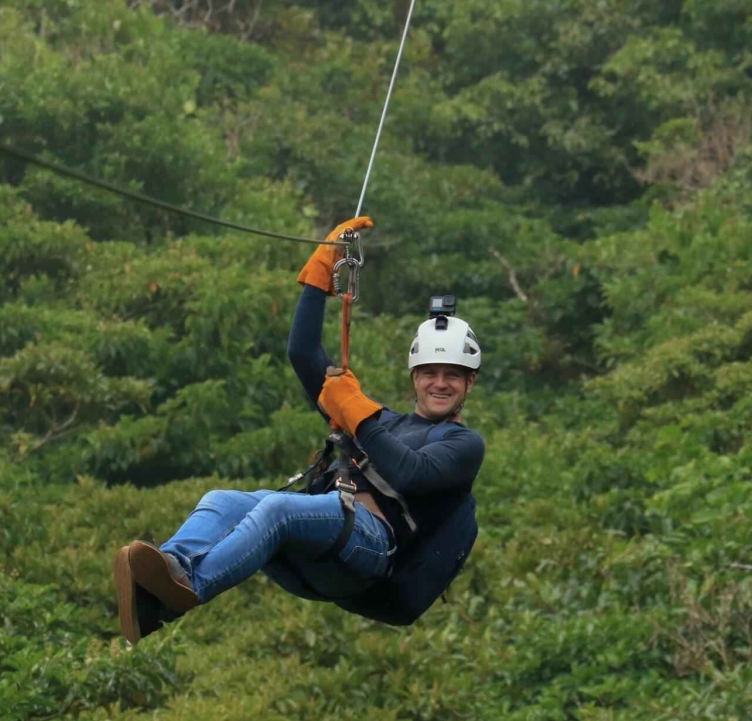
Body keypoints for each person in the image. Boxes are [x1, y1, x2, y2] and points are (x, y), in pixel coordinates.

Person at [113, 216, 485, 642]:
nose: (440, 383)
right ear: (414, 377)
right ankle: (162, 586)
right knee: (223, 500)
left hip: (371, 547)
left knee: (276, 510)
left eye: (453, 375)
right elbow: (304, 353)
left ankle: (190, 590)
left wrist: (355, 410)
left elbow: (411, 474)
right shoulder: (384, 421)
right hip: (328, 537)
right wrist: (319, 274)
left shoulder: (463, 444)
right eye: (430, 372)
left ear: (469, 382)